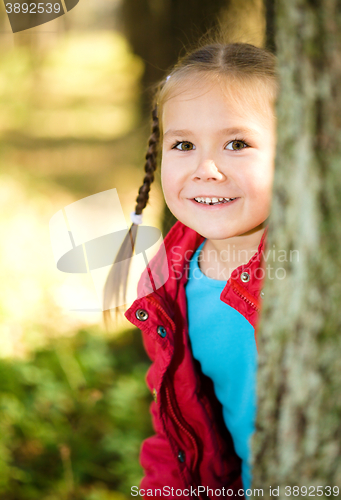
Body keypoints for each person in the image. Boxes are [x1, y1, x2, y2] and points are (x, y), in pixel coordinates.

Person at [104, 38, 278, 499]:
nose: (206, 168)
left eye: (237, 143)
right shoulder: (168, 282)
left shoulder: (317, 268)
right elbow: (177, 425)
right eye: (183, 144)